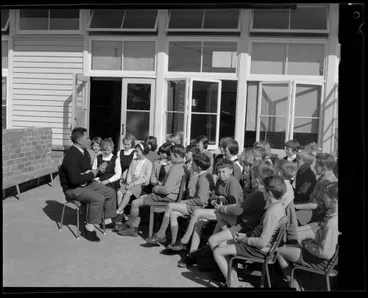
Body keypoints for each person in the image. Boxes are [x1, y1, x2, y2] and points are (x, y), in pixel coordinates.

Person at [209, 175, 288, 287]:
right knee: (222, 244)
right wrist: (246, 235)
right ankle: (233, 281)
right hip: (262, 247)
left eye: (263, 189)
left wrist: (244, 239)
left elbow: (262, 242)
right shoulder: (279, 206)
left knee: (217, 251)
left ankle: (233, 285)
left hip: (259, 250)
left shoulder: (271, 213)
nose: (262, 191)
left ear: (269, 194)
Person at [170, 159, 244, 253]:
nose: (221, 174)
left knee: (197, 213)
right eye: (219, 172)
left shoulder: (232, 183)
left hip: (229, 215)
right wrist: (215, 199)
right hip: (218, 210)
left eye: (224, 172)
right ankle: (192, 253)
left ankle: (184, 241)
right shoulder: (219, 181)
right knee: (198, 223)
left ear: (231, 171)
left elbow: (234, 206)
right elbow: (212, 196)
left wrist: (219, 206)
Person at [58, 127, 119, 242]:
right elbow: (74, 180)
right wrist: (92, 174)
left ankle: (106, 220)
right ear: (79, 140)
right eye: (87, 138)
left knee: (110, 192)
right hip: (73, 189)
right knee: (98, 198)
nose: (90, 140)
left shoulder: (84, 151)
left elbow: (86, 170)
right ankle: (89, 228)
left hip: (85, 183)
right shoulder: (72, 155)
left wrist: (97, 170)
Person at [276, 182, 339, 291]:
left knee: (279, 251)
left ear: (335, 201)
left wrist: (307, 245)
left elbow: (325, 253)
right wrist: (308, 243)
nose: (322, 197)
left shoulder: (332, 223)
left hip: (320, 261)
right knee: (288, 246)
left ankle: (295, 286)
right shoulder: (333, 217)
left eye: (326, 196)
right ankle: (298, 280)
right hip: (318, 255)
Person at [115, 144, 188, 237]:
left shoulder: (175, 168)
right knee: (140, 199)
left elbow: (166, 190)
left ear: (176, 156)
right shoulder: (182, 166)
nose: (170, 157)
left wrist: (155, 188)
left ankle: (129, 226)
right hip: (170, 196)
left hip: (166, 198)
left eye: (171, 155)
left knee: (135, 203)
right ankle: (133, 228)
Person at [145, 153, 214, 245]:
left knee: (170, 206)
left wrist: (185, 201)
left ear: (198, 167)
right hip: (195, 205)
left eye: (193, 164)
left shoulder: (203, 179)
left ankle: (161, 234)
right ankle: (173, 244)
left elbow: (201, 200)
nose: (191, 165)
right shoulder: (203, 175)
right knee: (173, 213)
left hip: (198, 207)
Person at [212, 161, 274, 235]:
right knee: (221, 221)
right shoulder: (265, 191)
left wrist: (222, 209)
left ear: (257, 179)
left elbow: (239, 210)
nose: (247, 178)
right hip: (249, 222)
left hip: (246, 225)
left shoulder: (257, 194)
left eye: (251, 177)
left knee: (219, 215)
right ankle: (224, 239)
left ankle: (231, 239)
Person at [295, 153, 338, 240]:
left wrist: (295, 206)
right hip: (312, 211)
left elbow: (316, 205)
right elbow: (312, 199)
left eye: (317, 165)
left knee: (292, 229)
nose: (314, 167)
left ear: (324, 167)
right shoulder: (321, 178)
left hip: (320, 218)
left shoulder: (330, 183)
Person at [115, 142, 153, 219]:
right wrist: (128, 182)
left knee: (128, 193)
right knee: (119, 192)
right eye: (135, 151)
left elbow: (145, 178)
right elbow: (130, 173)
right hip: (131, 181)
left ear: (143, 152)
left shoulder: (148, 163)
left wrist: (133, 183)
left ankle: (118, 211)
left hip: (139, 183)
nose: (135, 153)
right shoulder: (134, 161)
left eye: (137, 151)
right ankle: (121, 212)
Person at [294, 151, 317, 225]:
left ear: (306, 163)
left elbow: (302, 194)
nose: (296, 163)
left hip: (303, 206)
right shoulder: (300, 172)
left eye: (298, 161)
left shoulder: (309, 176)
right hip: (297, 203)